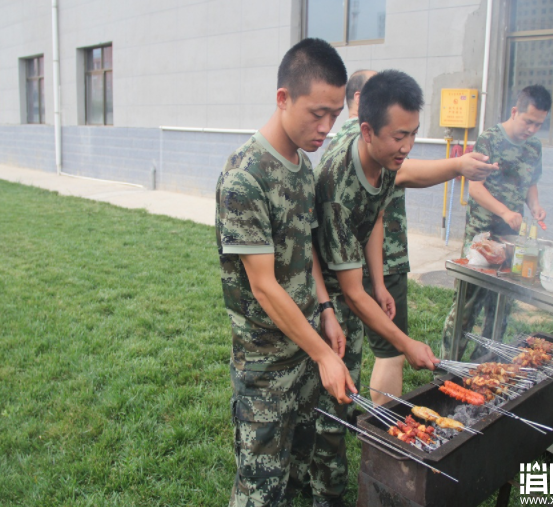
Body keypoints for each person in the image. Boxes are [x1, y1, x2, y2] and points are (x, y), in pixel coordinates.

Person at [215, 38, 358, 507]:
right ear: (283, 99)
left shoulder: (302, 165)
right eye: (317, 113)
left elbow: (305, 247)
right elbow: (263, 284)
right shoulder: (245, 177)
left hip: (303, 351)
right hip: (265, 369)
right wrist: (324, 355)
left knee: (295, 478)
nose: (326, 127)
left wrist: (325, 308)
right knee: (260, 492)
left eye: (335, 115)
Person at [335, 70, 499, 403]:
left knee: (356, 351)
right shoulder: (357, 155)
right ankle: (381, 435)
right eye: (400, 135)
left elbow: (376, 213)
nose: (406, 146)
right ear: (362, 103)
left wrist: (379, 285)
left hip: (373, 260)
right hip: (360, 267)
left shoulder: (371, 148)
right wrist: (457, 166)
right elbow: (404, 173)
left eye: (413, 134)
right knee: (387, 352)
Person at [441, 84, 552, 360]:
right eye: (528, 121)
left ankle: (485, 365)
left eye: (538, 124)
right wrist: (505, 212)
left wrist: (535, 206)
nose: (531, 129)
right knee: (467, 304)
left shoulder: (534, 147)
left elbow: (530, 183)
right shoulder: (490, 139)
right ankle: (447, 363)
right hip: (482, 236)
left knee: (500, 306)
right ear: (515, 111)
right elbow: (476, 189)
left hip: (512, 240)